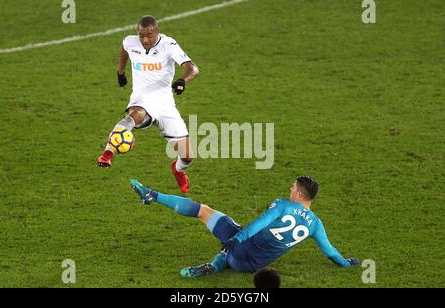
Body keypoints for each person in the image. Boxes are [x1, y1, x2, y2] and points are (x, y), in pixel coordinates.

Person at [129, 176, 360, 277]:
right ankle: (215, 265)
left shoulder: (283, 206)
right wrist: (346, 263)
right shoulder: (315, 224)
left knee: (203, 210)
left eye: (292, 187)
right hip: (254, 266)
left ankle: (152, 196)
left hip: (238, 250)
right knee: (236, 240)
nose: (290, 189)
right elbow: (330, 252)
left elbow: (257, 225)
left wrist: (236, 240)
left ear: (299, 193)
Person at [97, 15, 199, 193]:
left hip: (166, 104)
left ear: (157, 32)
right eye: (141, 35)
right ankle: (108, 153)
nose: (144, 39)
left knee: (188, 156)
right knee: (134, 114)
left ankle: (178, 169)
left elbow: (193, 68)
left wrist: (182, 80)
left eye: (149, 36)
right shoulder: (130, 42)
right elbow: (124, 49)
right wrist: (120, 72)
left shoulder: (168, 45)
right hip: (142, 99)